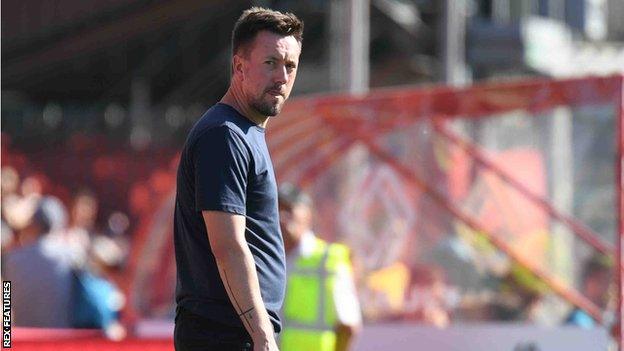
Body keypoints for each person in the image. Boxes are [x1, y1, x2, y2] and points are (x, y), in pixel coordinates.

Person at [173, 7, 303, 351]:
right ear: (239, 67)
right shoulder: (225, 135)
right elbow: (228, 245)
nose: (282, 77)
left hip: (233, 331)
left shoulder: (244, 132)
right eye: (270, 63)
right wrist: (261, 335)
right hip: (225, 333)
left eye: (290, 66)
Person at [278, 183, 362, 351]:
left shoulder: (329, 259)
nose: (281, 217)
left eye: (289, 209)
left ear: (308, 214)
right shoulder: (264, 259)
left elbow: (348, 326)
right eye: (276, 210)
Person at [565, 254, 612, 328]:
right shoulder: (578, 320)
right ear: (590, 282)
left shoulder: (607, 317)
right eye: (605, 281)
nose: (609, 289)